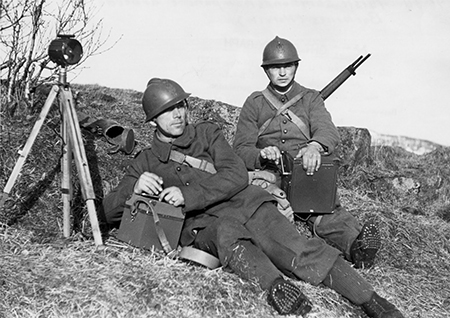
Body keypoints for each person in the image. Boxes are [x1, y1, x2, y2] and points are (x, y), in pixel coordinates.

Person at [103, 78, 404, 317]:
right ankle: (277, 288)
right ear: (153, 120)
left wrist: (187, 194)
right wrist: (135, 188)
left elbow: (235, 174)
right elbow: (108, 212)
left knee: (300, 249)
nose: (179, 114)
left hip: (248, 205)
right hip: (206, 227)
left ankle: (373, 302)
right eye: (168, 110)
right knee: (228, 234)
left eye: (181, 105)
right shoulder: (145, 162)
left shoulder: (208, 135)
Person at [233, 36, 381, 270]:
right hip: (270, 177)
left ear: (296, 67)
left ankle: (358, 247)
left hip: (305, 173)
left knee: (327, 214)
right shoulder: (255, 103)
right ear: (266, 71)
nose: (282, 72)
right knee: (267, 215)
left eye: (287, 66)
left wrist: (314, 146)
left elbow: (327, 130)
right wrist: (261, 155)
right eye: (275, 67)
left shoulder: (311, 99)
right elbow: (240, 149)